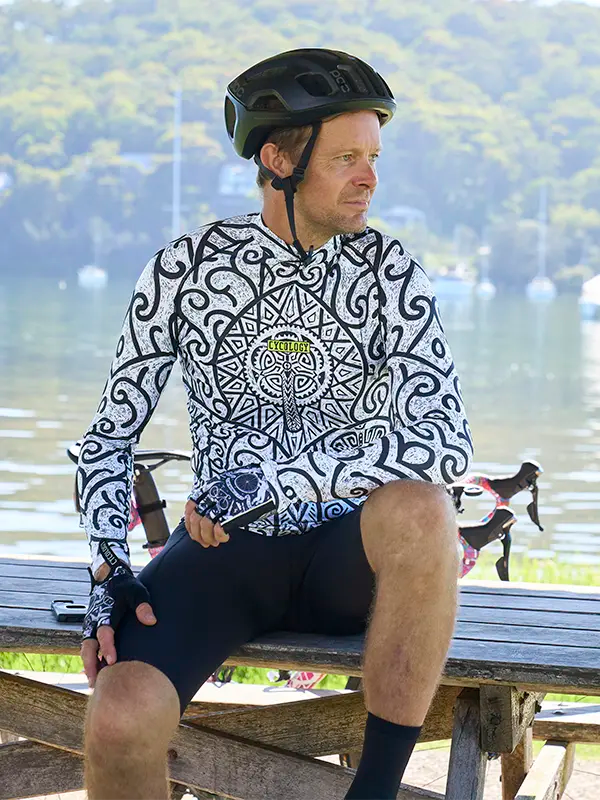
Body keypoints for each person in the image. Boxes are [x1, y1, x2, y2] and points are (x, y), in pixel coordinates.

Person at [78, 48, 473, 800]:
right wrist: (106, 563)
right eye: (348, 157)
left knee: (423, 508)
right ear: (279, 157)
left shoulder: (391, 271)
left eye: (375, 156)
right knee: (121, 715)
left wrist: (276, 481)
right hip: (224, 553)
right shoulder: (184, 267)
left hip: (346, 555)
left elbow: (446, 442)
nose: (370, 177)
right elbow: (109, 437)